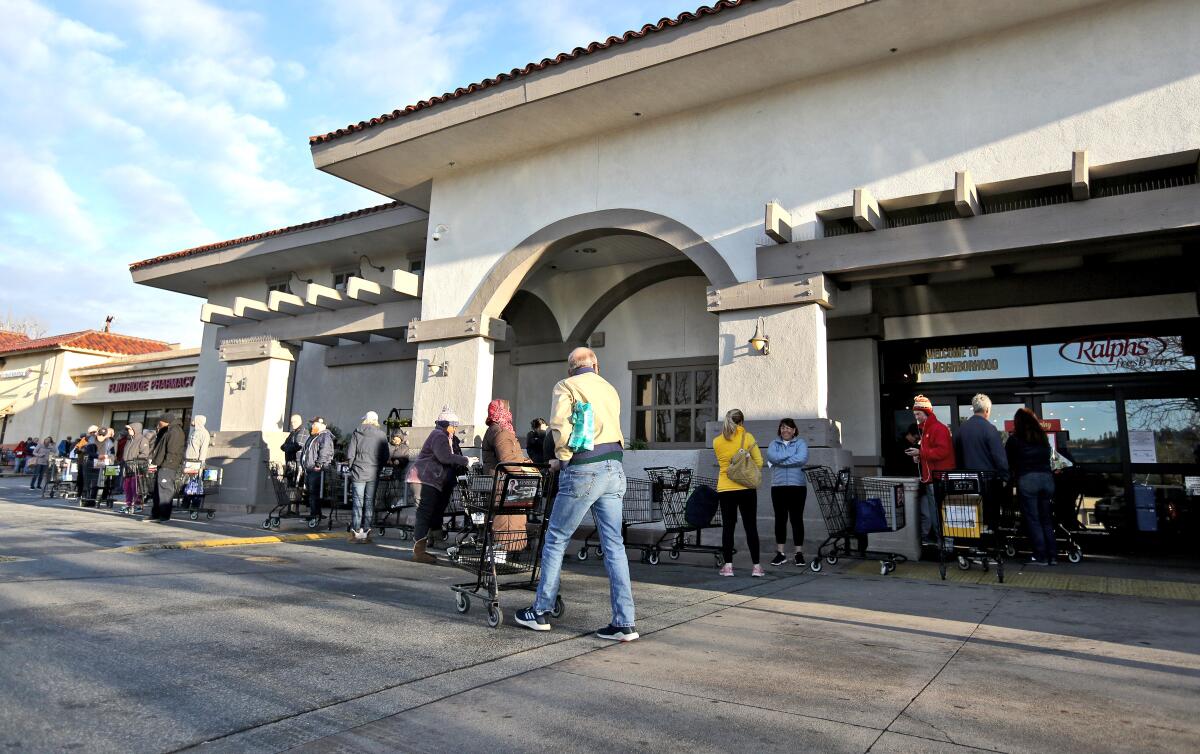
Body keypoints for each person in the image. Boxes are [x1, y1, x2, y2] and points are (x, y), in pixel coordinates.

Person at [515, 347, 638, 641]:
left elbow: (559, 427)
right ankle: (624, 622)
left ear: (571, 368)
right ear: (596, 365)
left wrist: (565, 459)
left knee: (556, 538)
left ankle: (541, 611)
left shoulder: (566, 386)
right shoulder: (610, 388)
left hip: (584, 468)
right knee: (614, 546)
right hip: (615, 467)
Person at [409, 407, 472, 564]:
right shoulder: (439, 435)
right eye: (454, 425)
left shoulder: (443, 436)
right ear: (446, 424)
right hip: (424, 479)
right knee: (424, 514)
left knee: (427, 513)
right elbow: (444, 457)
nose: (456, 428)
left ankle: (421, 549)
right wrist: (465, 461)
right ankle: (419, 552)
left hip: (428, 478)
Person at [713, 409, 764, 577]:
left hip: (725, 489)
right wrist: (747, 460)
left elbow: (724, 464)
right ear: (742, 422)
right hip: (746, 489)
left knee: (728, 527)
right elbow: (760, 462)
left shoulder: (717, 441)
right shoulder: (748, 438)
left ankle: (728, 567)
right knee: (751, 527)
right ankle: (756, 567)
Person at [1007, 408, 1057, 566]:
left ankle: (1040, 555)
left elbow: (1008, 460)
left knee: (1033, 519)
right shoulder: (1042, 438)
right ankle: (1053, 555)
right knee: (1046, 519)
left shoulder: (1015, 439)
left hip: (1028, 479)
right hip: (1047, 479)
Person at [906, 395, 956, 546]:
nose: (916, 417)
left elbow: (943, 451)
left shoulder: (937, 429)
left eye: (918, 414)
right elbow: (936, 452)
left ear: (927, 412)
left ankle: (945, 545)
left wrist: (920, 454)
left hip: (938, 479)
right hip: (933, 478)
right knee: (936, 514)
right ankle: (944, 544)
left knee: (939, 514)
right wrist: (919, 457)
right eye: (915, 414)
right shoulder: (930, 429)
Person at [481, 398, 530, 551]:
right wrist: (526, 469)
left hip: (502, 482)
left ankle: (500, 554)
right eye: (507, 409)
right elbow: (508, 460)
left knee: (506, 519)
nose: (509, 413)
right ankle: (500, 555)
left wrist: (525, 461)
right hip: (506, 484)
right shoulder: (500, 432)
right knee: (507, 520)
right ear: (502, 411)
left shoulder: (497, 429)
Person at [766, 418, 808, 567]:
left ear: (794, 430)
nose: (786, 430)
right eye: (783, 427)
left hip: (797, 486)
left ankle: (798, 553)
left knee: (796, 519)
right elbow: (771, 457)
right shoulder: (773, 444)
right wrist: (789, 457)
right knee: (780, 520)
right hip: (778, 487)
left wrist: (778, 461)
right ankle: (780, 553)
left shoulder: (801, 443)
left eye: (789, 428)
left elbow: (801, 459)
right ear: (780, 430)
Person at [345, 411, 389, 543]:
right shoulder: (381, 434)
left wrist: (352, 467)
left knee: (358, 502)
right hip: (373, 472)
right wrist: (378, 468)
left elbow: (351, 453)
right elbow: (385, 455)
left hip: (359, 471)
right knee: (370, 502)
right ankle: (367, 531)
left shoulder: (357, 432)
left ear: (365, 420)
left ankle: (356, 531)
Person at [148, 414, 185, 522]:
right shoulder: (167, 430)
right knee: (157, 491)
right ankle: (155, 514)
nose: (159, 423)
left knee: (165, 491)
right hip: (161, 464)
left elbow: (173, 451)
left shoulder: (175, 431)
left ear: (166, 421)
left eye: (160, 421)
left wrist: (167, 464)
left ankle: (164, 516)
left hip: (168, 466)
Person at [299, 417, 335, 524]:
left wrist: (318, 465)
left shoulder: (324, 436)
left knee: (314, 493)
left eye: (314, 424)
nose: (312, 426)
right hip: (310, 469)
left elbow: (325, 451)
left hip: (316, 470)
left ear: (321, 425)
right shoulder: (314, 436)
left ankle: (314, 515)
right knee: (312, 493)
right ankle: (315, 514)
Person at [182, 415, 211, 513]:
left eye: (194, 419)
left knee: (195, 484)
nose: (192, 421)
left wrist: (201, 464)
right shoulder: (194, 431)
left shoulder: (204, 433)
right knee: (187, 483)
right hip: (188, 461)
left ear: (198, 420)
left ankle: (194, 505)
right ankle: (185, 504)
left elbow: (203, 450)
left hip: (196, 462)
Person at [120, 422, 151, 512]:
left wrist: (135, 460)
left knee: (136, 487)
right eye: (128, 429)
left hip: (137, 468)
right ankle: (128, 504)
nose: (128, 431)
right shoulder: (129, 439)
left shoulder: (142, 440)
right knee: (127, 487)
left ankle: (138, 505)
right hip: (127, 467)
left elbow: (145, 454)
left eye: (130, 429)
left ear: (135, 429)